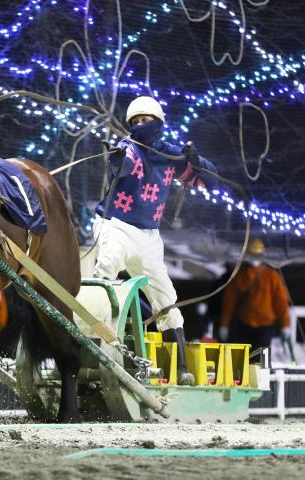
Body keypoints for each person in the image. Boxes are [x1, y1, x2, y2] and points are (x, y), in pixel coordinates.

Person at [93, 96, 218, 385]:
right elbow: (122, 166)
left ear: (159, 123)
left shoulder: (172, 157)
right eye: (134, 122)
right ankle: (92, 348)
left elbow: (211, 182)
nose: (139, 125)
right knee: (106, 270)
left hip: (149, 236)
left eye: (145, 120)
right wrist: (116, 159)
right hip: (117, 225)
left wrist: (198, 161)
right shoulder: (129, 148)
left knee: (165, 297)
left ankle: (182, 368)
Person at [218, 238, 291, 351]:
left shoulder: (272, 276)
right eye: (252, 254)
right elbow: (229, 302)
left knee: (261, 363)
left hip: (265, 326)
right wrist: (224, 324)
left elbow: (281, 302)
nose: (254, 258)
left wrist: (285, 325)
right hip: (244, 324)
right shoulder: (239, 275)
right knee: (244, 361)